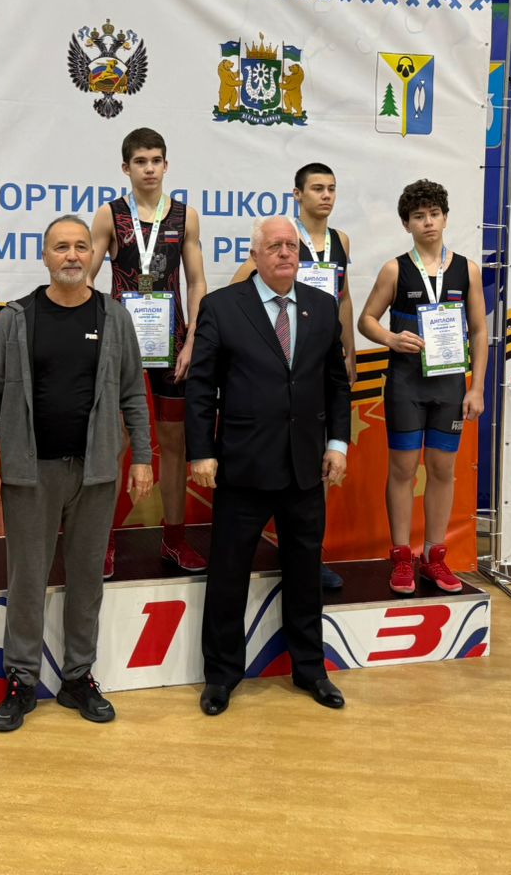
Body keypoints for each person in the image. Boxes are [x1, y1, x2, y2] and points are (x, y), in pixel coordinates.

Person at [0, 216, 154, 731]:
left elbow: (133, 392)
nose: (72, 255)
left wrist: (141, 456)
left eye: (80, 247)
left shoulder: (114, 317)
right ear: (45, 256)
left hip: (96, 472)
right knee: (27, 579)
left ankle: (77, 677)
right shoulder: (17, 318)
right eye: (61, 247)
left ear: (94, 255)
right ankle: (21, 680)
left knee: (87, 578)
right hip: (32, 473)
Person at [186, 217, 351, 715]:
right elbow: (201, 387)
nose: (285, 253)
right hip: (242, 464)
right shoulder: (222, 306)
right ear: (254, 255)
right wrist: (201, 452)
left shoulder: (322, 306)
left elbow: (336, 383)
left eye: (291, 246)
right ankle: (221, 676)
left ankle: (310, 669)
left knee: (305, 573)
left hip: (305, 466)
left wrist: (338, 443)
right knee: (229, 574)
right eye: (275, 246)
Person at [230, 161, 358, 591]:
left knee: (316, 459)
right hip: (284, 358)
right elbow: (240, 289)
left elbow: (343, 297)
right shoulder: (283, 238)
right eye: (317, 188)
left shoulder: (340, 240)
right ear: (298, 194)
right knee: (282, 457)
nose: (326, 196)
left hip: (320, 355)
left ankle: (309, 554)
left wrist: (350, 350)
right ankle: (274, 549)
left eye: (332, 188)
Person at [357, 179, 487, 596]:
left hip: (450, 386)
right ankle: (401, 556)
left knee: (443, 469)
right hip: (406, 385)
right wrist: (391, 339)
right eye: (418, 216)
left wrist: (477, 388)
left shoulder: (467, 269)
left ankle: (434, 556)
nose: (428, 222)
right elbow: (366, 320)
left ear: (445, 218)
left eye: (434, 214)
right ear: (406, 224)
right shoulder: (395, 269)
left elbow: (479, 331)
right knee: (403, 469)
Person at [89, 127, 208, 576]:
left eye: (156, 160)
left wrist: (193, 338)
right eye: (140, 161)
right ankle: (103, 542)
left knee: (173, 443)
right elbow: (87, 280)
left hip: (171, 344)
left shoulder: (185, 216)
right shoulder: (110, 215)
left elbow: (196, 282)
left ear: (166, 164)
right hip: (121, 344)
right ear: (126, 168)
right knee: (116, 441)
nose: (149, 169)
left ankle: (174, 540)